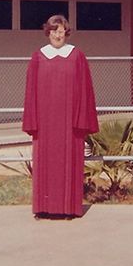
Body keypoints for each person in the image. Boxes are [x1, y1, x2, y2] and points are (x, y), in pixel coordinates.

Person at [22, 14, 99, 219]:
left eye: (61, 31)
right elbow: (31, 91)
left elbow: (85, 90)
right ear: (48, 32)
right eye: (54, 31)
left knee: (69, 163)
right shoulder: (38, 56)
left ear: (67, 32)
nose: (58, 35)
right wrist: (32, 121)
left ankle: (69, 209)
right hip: (45, 122)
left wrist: (81, 119)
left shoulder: (77, 56)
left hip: (69, 123)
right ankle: (43, 208)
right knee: (45, 164)